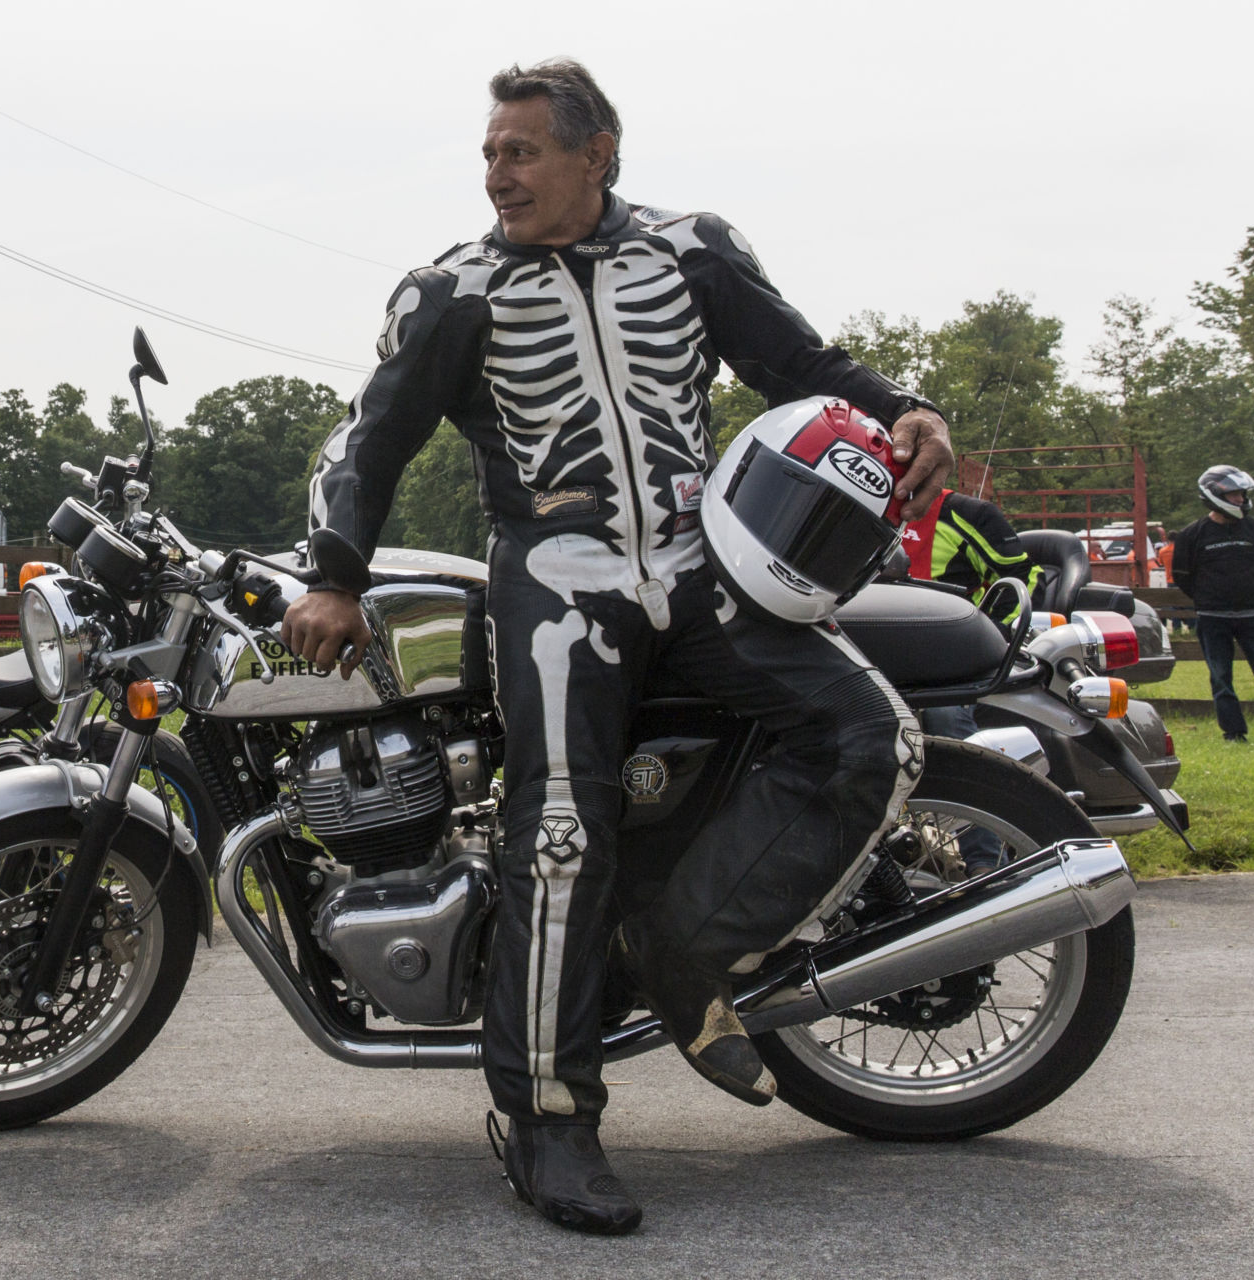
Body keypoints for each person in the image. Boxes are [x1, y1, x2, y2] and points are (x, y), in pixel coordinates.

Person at [282, 59, 952, 1234]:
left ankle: (686, 953)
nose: (499, 172)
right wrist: (336, 575)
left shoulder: (691, 252)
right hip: (557, 575)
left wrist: (909, 402)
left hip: (707, 565)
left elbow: (798, 362)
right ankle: (547, 1118)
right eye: (490, 152)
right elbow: (370, 438)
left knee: (871, 737)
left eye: (523, 150)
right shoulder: (452, 292)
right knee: (553, 831)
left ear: (597, 152)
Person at [901, 489, 1041, 875]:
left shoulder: (965, 513)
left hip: (944, 661)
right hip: (861, 648)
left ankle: (984, 861)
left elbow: (1024, 577)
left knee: (947, 720)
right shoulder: (855, 503)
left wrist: (985, 634)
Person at [1170, 465, 1254, 744]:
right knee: (1221, 678)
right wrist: (1209, 599)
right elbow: (1182, 576)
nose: (1240, 500)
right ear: (1214, 496)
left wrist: (1250, 594)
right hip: (1213, 618)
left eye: (1242, 494)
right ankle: (1234, 733)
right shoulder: (1192, 535)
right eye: (1235, 495)